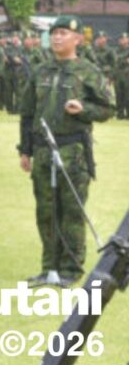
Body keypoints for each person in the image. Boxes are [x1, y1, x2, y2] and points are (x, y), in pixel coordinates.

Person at [18, 16, 114, 287]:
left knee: (71, 211)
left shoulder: (88, 71)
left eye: (63, 33)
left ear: (77, 39)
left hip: (73, 151)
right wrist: (25, 150)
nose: (57, 38)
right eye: (54, 33)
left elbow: (108, 108)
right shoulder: (40, 71)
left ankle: (70, 269)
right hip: (42, 151)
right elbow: (27, 113)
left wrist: (84, 109)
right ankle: (48, 268)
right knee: (46, 211)